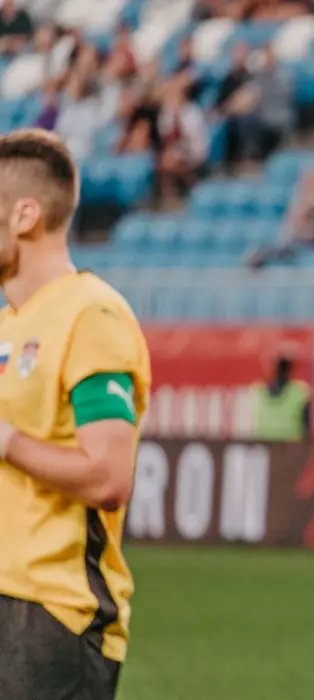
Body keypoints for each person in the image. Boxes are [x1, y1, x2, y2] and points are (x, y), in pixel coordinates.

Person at [0, 129, 151, 700]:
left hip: (54, 614)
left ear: (25, 215)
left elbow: (108, 478)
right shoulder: (8, 324)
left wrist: (5, 440)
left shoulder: (91, 316)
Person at [250, 350, 311, 442]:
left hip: (268, 447)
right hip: (289, 447)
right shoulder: (300, 391)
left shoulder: (257, 391)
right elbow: (307, 426)